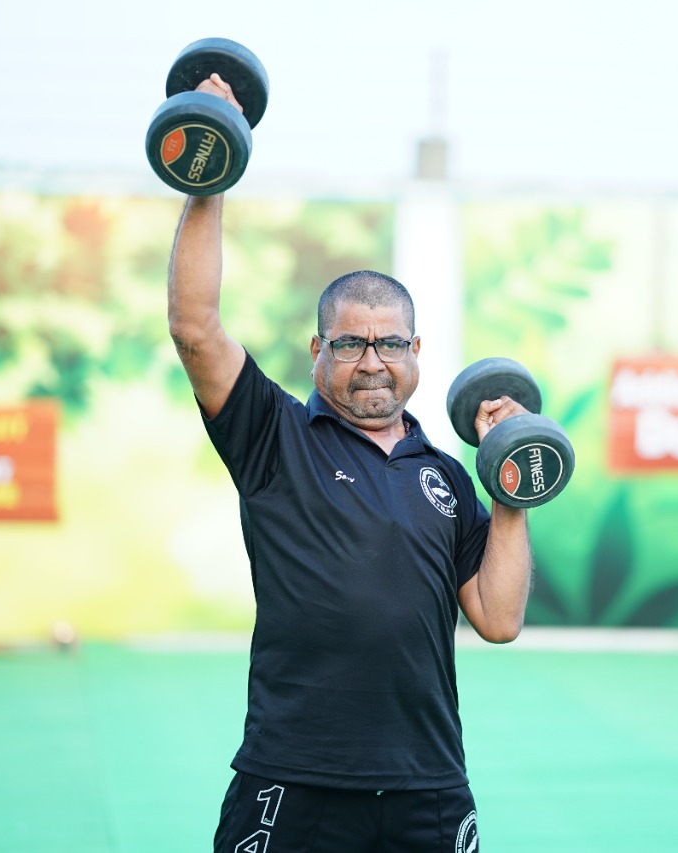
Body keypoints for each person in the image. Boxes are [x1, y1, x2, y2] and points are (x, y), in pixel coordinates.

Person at [167, 72, 535, 853]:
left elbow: (497, 619)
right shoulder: (274, 437)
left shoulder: (444, 475)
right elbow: (196, 327)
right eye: (351, 342)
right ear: (317, 351)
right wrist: (212, 170)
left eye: (390, 342)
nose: (372, 360)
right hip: (293, 777)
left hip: (426, 785)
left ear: (416, 353)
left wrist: (510, 486)